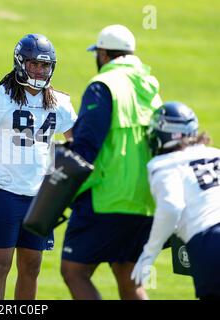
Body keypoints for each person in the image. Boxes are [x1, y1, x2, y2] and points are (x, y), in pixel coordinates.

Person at [0, 34, 76, 300]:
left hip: (41, 196)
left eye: (45, 65)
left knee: (32, 267)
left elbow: (78, 144)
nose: (39, 70)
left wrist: (65, 180)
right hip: (5, 193)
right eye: (33, 64)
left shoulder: (60, 102)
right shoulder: (2, 96)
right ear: (20, 63)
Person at [60, 24, 163, 300]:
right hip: (145, 201)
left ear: (103, 54)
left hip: (106, 197)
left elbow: (86, 146)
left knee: (74, 271)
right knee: (128, 274)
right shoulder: (150, 87)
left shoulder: (103, 86)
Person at [131, 102, 220, 300]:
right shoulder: (216, 153)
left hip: (210, 239)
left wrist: (149, 254)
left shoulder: (163, 164)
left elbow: (171, 208)